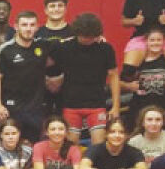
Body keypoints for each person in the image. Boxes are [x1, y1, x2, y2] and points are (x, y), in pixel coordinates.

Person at [49, 13, 120, 145]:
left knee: (99, 146)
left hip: (97, 104)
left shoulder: (105, 49)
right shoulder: (63, 47)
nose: (87, 39)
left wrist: (116, 106)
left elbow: (114, 76)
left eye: (90, 37)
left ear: (96, 35)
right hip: (71, 104)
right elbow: (44, 61)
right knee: (70, 147)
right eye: (84, 36)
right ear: (77, 33)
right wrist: (51, 79)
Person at [0, 11, 51, 144]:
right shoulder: (6, 49)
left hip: (35, 108)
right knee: (11, 143)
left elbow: (69, 43)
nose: (28, 28)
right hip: (11, 107)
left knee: (33, 146)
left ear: (37, 27)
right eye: (24, 25)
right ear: (16, 26)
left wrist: (98, 38)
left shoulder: (43, 46)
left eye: (32, 25)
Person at [120, 28, 165, 127]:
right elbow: (119, 83)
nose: (155, 43)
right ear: (146, 42)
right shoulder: (138, 61)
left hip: (164, 108)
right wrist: (129, 86)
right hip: (139, 108)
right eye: (152, 40)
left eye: (159, 40)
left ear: (164, 42)